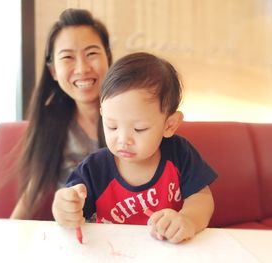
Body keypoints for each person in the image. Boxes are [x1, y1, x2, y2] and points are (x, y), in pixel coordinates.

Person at [52, 52, 218, 244]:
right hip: (113, 252)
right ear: (102, 114)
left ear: (169, 125)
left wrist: (188, 219)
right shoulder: (94, 169)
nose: (123, 140)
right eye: (112, 126)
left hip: (169, 251)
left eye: (139, 129)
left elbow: (202, 197)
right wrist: (64, 209)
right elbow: (72, 209)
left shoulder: (179, 154)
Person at [10, 8, 112, 219]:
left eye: (91, 53)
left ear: (108, 58)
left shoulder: (134, 115)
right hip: (76, 237)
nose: (82, 68)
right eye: (67, 57)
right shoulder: (50, 122)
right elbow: (34, 189)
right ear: (53, 71)